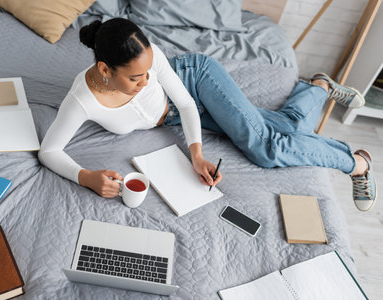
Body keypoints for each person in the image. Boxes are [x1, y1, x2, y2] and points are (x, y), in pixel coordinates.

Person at [38, 18, 376, 212]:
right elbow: (49, 151)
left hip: (197, 81)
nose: (145, 82)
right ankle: (317, 87)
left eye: (147, 72)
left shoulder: (150, 58)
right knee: (285, 128)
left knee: (266, 148)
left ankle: (357, 163)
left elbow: (185, 104)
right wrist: (86, 177)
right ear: (104, 69)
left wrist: (196, 155)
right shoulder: (82, 99)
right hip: (171, 117)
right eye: (134, 78)